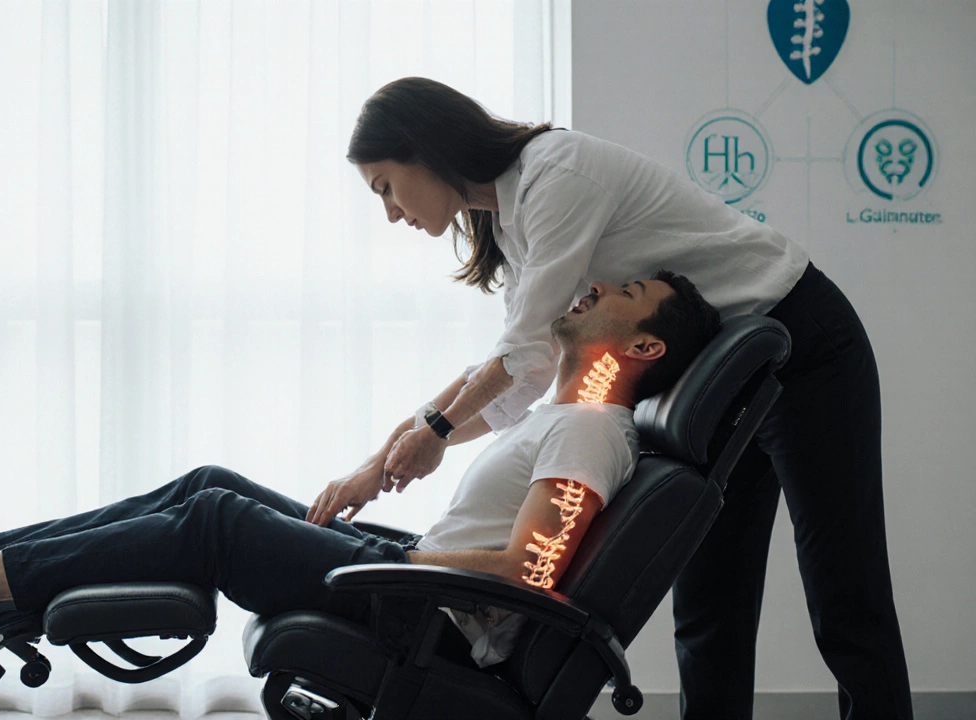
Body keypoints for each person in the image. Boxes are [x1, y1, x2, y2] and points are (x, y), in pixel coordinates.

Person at [334, 76, 909, 720]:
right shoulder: (512, 218)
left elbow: (519, 358)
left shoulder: (557, 175)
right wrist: (382, 459)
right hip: (720, 374)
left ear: (424, 148)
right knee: (709, 597)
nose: (389, 210)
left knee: (843, 588)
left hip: (806, 344)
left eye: (385, 186)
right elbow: (519, 376)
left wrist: (435, 432)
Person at [0, 270, 719, 669]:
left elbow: (532, 572)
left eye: (623, 293)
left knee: (216, 525)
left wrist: (397, 561)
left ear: (642, 344)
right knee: (207, 486)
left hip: (426, 616)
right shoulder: (563, 415)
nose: (595, 286)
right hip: (412, 578)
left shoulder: (594, 431)